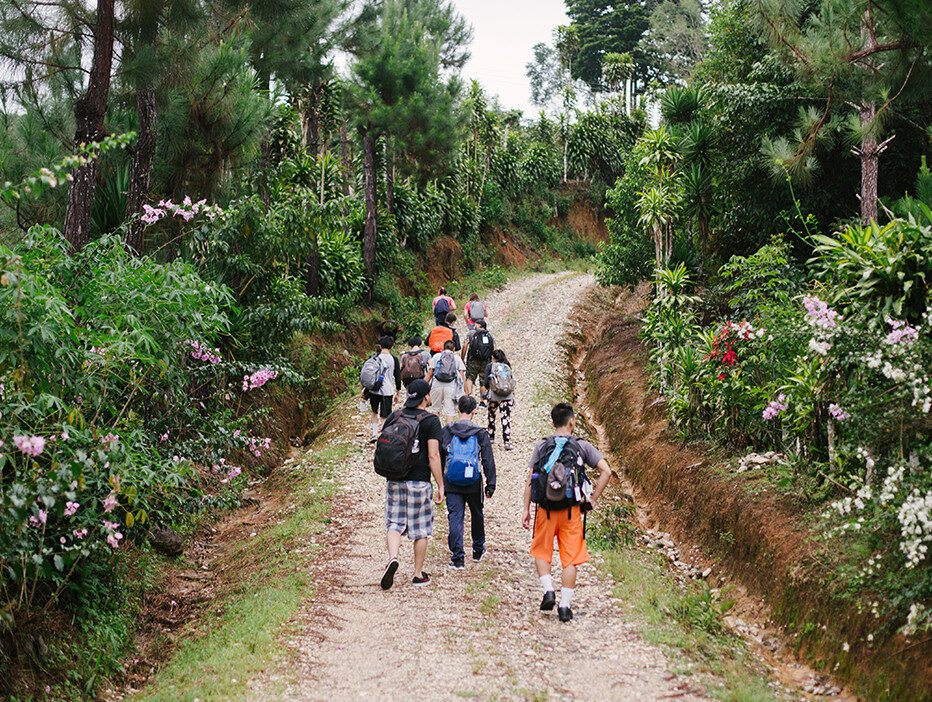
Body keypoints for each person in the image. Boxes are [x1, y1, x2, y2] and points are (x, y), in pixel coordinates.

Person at [521, 403, 612, 622]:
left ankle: (549, 590)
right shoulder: (582, 446)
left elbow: (530, 480)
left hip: (546, 510)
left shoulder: (542, 446)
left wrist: (525, 509)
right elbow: (606, 472)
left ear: (553, 423)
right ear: (572, 421)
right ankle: (564, 606)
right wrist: (591, 500)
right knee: (569, 559)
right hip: (572, 511)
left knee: (542, 551)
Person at [379, 379, 445, 589]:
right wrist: (440, 485)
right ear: (426, 397)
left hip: (395, 478)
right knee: (421, 529)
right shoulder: (431, 421)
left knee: (394, 523)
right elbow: (434, 455)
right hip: (419, 481)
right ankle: (417, 575)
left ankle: (393, 558)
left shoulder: (394, 415)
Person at [441, 395, 496, 569]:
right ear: (474, 412)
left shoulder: (447, 431)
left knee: (455, 517)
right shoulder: (480, 433)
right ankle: (478, 550)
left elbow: (440, 456)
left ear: (458, 410)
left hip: (451, 481)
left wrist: (439, 483)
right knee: (476, 514)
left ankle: (458, 558)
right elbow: (488, 459)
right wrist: (490, 484)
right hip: (474, 482)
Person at [365, 336, 401, 443]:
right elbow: (398, 377)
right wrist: (398, 393)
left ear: (380, 346)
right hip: (387, 391)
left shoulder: (374, 357)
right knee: (385, 415)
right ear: (392, 347)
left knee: (374, 411)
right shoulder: (394, 359)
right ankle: (383, 435)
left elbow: (368, 374)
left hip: (374, 390)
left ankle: (374, 434)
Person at [426, 340, 466, 424]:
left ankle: (435, 431)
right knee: (450, 411)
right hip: (451, 387)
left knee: (435, 409)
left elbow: (430, 373)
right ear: (454, 349)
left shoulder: (437, 356)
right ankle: (449, 433)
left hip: (436, 385)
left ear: (443, 348)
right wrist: (465, 391)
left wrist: (423, 386)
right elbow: (462, 376)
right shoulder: (456, 358)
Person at [483, 348, 515, 451]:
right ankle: (507, 442)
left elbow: (486, 383)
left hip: (494, 396)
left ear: (493, 357)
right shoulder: (507, 366)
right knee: (505, 418)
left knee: (491, 416)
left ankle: (491, 439)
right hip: (507, 396)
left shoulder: (490, 366)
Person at [461, 320, 494, 397]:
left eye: (475, 325)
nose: (474, 326)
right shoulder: (489, 335)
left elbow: (465, 345)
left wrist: (462, 358)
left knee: (470, 378)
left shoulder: (471, 333)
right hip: (486, 360)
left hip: (473, 359)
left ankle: (469, 395)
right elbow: (494, 348)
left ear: (480, 325)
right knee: (483, 380)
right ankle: (482, 400)